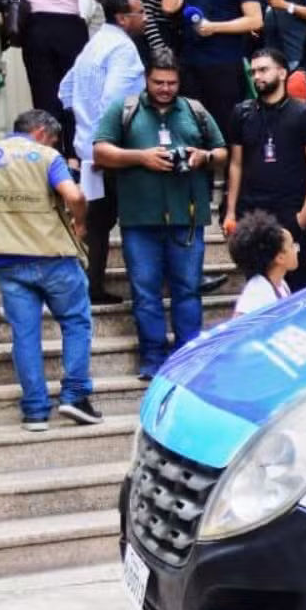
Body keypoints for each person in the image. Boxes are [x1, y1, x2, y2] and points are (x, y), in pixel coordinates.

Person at [0, 110, 97, 432]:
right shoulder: (47, 156)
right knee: (75, 322)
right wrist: (80, 222)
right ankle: (74, 397)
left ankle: (35, 412)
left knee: (25, 335)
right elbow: (74, 195)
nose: (54, 143)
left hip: (5, 261)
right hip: (51, 256)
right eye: (55, 138)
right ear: (43, 132)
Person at [92, 49, 227, 381]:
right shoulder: (124, 109)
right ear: (146, 79)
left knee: (188, 290)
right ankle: (152, 358)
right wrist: (141, 157)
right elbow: (100, 151)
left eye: (171, 82)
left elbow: (223, 152)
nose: (165, 88)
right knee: (145, 292)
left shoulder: (194, 111)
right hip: (140, 219)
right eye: (158, 82)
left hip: (187, 217)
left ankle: (187, 356)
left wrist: (203, 157)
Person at [58, 0, 147, 305]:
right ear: (123, 18)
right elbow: (115, 101)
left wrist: (85, 128)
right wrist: (111, 142)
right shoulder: (123, 48)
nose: (145, 17)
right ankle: (150, 284)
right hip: (113, 149)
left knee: (98, 221)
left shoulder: (93, 45)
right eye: (140, 12)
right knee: (140, 217)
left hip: (88, 146)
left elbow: (65, 91)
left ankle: (92, 286)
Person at [223, 48, 306, 292]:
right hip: (253, 211)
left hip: (290, 210)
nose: (257, 76)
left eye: (263, 69)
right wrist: (231, 212)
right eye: (254, 71)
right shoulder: (242, 113)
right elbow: (235, 164)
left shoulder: (303, 113)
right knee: (256, 281)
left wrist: (305, 213)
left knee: (293, 280)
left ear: (282, 72)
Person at [9, 0, 109, 158]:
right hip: (68, 29)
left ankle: (48, 152)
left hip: (35, 29)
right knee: (74, 92)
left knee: (43, 92)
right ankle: (74, 154)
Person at [161, 0, 261, 145]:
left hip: (224, 66)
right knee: (190, 130)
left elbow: (255, 19)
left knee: (226, 131)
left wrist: (214, 27)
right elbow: (168, 6)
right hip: (190, 65)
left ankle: (228, 178)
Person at [228, 208, 297, 316]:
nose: (296, 250)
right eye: (292, 246)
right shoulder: (258, 293)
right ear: (280, 257)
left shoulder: (281, 284)